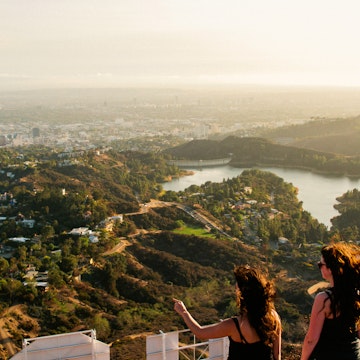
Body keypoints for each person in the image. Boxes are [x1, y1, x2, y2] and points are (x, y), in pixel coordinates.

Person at [173, 265, 281, 359]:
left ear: (242, 294)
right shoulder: (274, 318)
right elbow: (277, 356)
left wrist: (184, 312)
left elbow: (200, 332)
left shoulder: (234, 326)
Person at [301, 242, 360, 360]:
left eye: (320, 264)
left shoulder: (324, 299)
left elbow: (311, 339)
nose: (319, 267)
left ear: (331, 269)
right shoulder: (356, 296)